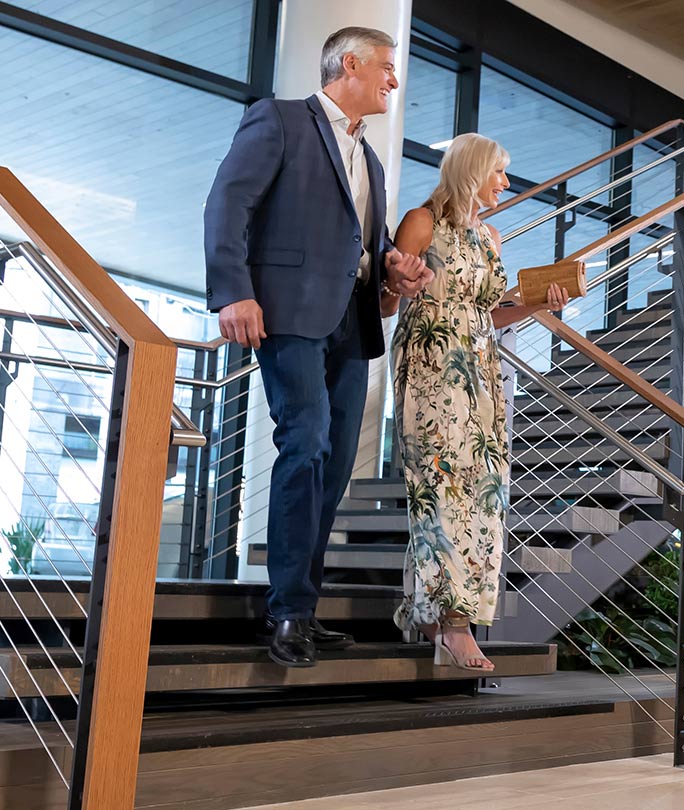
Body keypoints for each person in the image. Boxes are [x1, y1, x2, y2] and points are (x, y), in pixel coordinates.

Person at [203, 26, 433, 669]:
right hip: (288, 314)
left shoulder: (372, 155)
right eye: (387, 67)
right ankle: (285, 613)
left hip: (351, 320)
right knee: (305, 444)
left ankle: (301, 606)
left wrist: (394, 265)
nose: (394, 80)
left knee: (333, 468)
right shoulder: (278, 120)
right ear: (351, 65)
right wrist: (232, 292)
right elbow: (228, 203)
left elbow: (364, 237)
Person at [390, 133, 567, 672]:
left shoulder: (490, 237)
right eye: (499, 173)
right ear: (471, 170)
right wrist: (402, 284)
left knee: (484, 495)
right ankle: (454, 624)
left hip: (480, 376)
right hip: (429, 369)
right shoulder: (421, 223)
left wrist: (539, 305)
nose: (506, 184)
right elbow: (385, 298)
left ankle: (429, 612)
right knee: (439, 491)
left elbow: (488, 314)